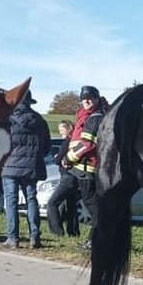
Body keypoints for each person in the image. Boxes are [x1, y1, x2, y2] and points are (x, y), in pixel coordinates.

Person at [46, 86, 107, 250]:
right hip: (76, 168)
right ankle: (61, 234)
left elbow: (87, 144)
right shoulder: (83, 116)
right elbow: (74, 142)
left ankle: (96, 240)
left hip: (86, 168)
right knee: (58, 202)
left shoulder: (95, 117)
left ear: (97, 99)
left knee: (93, 206)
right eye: (83, 98)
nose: (86, 101)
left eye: (90, 98)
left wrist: (68, 158)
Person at [1, 89, 51, 249]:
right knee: (31, 199)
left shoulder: (8, 120)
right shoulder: (40, 121)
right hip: (32, 166)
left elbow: (1, 144)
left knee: (11, 201)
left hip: (10, 166)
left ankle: (13, 238)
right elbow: (47, 147)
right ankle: (34, 237)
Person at [47, 119, 80, 237]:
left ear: (69, 129)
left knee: (52, 203)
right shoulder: (75, 142)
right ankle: (73, 231)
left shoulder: (67, 143)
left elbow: (57, 159)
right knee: (71, 205)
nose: (60, 132)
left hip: (67, 177)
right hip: (75, 177)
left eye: (62, 130)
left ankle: (57, 231)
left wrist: (58, 157)